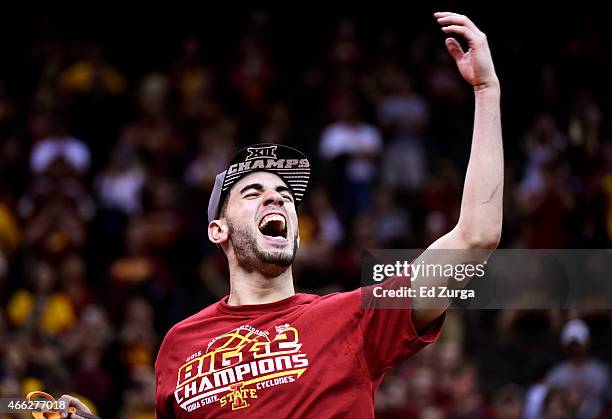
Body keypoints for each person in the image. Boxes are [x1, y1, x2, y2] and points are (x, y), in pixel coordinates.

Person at [60, 11, 503, 418]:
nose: (277, 198)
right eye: (253, 192)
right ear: (219, 230)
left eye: (285, 195)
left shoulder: (352, 320)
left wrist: (487, 92)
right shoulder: (178, 345)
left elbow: (475, 236)